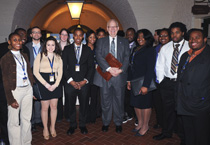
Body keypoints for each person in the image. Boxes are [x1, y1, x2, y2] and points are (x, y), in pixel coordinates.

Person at [153, 22, 189, 143]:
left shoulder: (189, 47)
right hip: (167, 83)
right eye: (172, 32)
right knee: (167, 110)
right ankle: (166, 132)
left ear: (183, 33)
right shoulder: (166, 47)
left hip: (182, 84)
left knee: (182, 111)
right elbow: (160, 66)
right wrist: (161, 81)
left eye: (177, 32)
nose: (174, 35)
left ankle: (183, 136)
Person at [93, 19, 130, 133]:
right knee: (105, 101)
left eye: (115, 27)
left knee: (119, 101)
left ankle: (118, 123)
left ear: (118, 28)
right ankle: (106, 122)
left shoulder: (124, 41)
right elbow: (98, 56)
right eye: (110, 27)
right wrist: (109, 69)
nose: (113, 29)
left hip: (119, 76)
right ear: (107, 28)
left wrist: (120, 70)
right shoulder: (101, 41)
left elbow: (127, 57)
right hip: (105, 76)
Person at [177, 29, 210, 145]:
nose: (193, 40)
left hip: (201, 103)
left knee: (202, 134)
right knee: (188, 132)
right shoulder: (185, 55)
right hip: (184, 100)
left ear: (205, 39)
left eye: (197, 37)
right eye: (191, 38)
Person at [0, 32, 34, 145]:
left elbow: (29, 73)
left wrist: (31, 88)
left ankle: (26, 142)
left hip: (27, 89)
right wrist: (10, 99)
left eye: (19, 40)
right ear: (9, 42)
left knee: (26, 119)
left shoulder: (25, 55)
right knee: (14, 122)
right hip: (15, 91)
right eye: (15, 40)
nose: (18, 42)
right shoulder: (5, 58)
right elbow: (5, 80)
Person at [63, 28, 94, 135]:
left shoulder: (88, 49)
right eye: (76, 35)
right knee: (70, 105)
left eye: (80, 35)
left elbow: (91, 67)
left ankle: (82, 125)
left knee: (84, 105)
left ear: (83, 37)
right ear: (73, 36)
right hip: (70, 83)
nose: (78, 37)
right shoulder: (67, 49)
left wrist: (84, 81)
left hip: (83, 83)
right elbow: (64, 67)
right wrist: (71, 81)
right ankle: (72, 125)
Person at [127, 29, 156, 136]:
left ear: (148, 39)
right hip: (134, 80)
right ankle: (139, 123)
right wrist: (129, 80)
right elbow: (131, 66)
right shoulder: (135, 49)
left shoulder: (150, 50)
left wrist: (145, 86)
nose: (140, 39)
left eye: (143, 37)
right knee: (136, 104)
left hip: (144, 81)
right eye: (138, 37)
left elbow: (150, 69)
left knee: (145, 105)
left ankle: (145, 126)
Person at [33, 36, 63, 140]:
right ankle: (45, 128)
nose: (50, 47)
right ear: (45, 46)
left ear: (56, 46)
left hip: (55, 83)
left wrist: (55, 84)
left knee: (54, 107)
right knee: (45, 108)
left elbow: (60, 72)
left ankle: (52, 127)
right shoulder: (40, 56)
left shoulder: (58, 57)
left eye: (53, 45)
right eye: (48, 45)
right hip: (43, 83)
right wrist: (46, 84)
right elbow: (35, 72)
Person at [25, 26, 44, 132]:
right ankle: (31, 122)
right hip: (30, 75)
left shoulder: (45, 46)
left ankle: (38, 120)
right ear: (31, 35)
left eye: (38, 32)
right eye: (34, 32)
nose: (36, 34)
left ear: (41, 35)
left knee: (40, 98)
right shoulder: (26, 47)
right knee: (30, 99)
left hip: (42, 75)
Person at [153, 28, 170, 129]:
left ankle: (168, 125)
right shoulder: (156, 48)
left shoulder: (172, 48)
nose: (162, 38)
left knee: (167, 105)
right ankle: (160, 121)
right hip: (156, 80)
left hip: (167, 81)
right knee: (158, 103)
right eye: (161, 36)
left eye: (165, 36)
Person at [85, 30, 100, 124]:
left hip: (96, 75)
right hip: (86, 76)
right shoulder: (84, 48)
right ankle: (85, 116)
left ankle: (93, 116)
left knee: (94, 97)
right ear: (87, 38)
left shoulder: (97, 48)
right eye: (90, 37)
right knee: (85, 97)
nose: (93, 39)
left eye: (94, 37)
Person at [123, 27, 136, 124]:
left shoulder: (138, 46)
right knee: (125, 96)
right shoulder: (123, 45)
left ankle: (136, 115)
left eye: (131, 34)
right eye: (127, 34)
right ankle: (127, 113)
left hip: (135, 75)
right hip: (124, 75)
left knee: (134, 95)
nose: (129, 36)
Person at [57, 28, 70, 122]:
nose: (64, 36)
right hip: (57, 74)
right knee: (58, 95)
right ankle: (59, 115)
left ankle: (68, 115)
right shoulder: (55, 46)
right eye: (62, 34)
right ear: (59, 35)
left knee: (68, 94)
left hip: (68, 74)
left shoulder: (71, 46)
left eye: (66, 34)